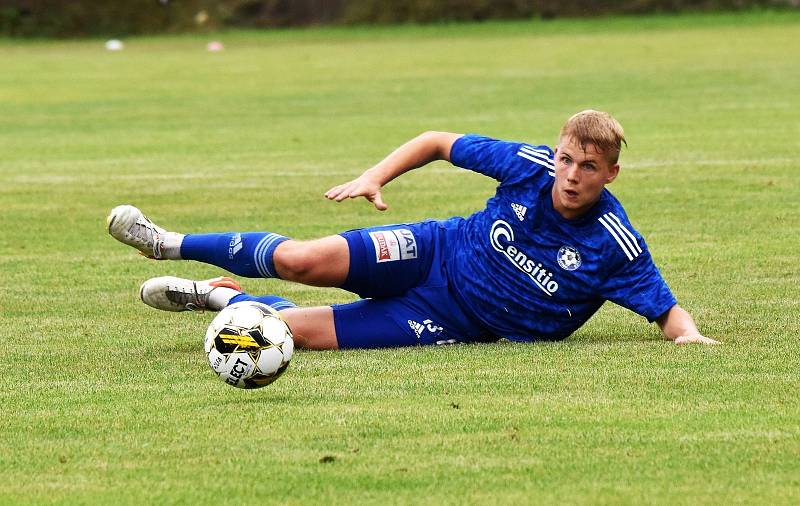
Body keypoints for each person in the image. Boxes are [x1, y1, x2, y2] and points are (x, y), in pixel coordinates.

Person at [107, 110, 720, 350]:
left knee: (281, 334)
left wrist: (690, 340)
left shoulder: (616, 246)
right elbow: (436, 141)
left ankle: (223, 295)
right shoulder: (530, 166)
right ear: (555, 153)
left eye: (588, 167)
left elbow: (667, 312)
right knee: (300, 260)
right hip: (434, 250)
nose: (570, 175)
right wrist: (376, 176)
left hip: (458, 321)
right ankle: (166, 242)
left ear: (611, 173)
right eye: (566, 159)